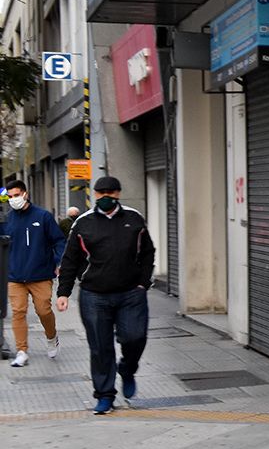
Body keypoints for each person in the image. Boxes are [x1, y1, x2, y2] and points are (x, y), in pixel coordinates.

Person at [56, 176, 155, 415]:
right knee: (100, 348)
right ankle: (104, 395)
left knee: (135, 337)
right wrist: (64, 292)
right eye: (101, 193)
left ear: (119, 193)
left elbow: (148, 252)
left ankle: (127, 369)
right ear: (95, 194)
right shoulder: (83, 222)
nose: (106, 197)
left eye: (111, 192)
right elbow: (70, 260)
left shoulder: (134, 218)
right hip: (94, 296)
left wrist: (143, 282)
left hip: (131, 293)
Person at [2, 180, 66, 367]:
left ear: (25, 194)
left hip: (41, 274)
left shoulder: (43, 216)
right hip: (15, 276)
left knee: (43, 310)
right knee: (18, 312)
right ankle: (22, 351)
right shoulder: (7, 219)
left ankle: (51, 337)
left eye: (16, 195)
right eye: (10, 196)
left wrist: (58, 261)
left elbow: (58, 241)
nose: (13, 199)